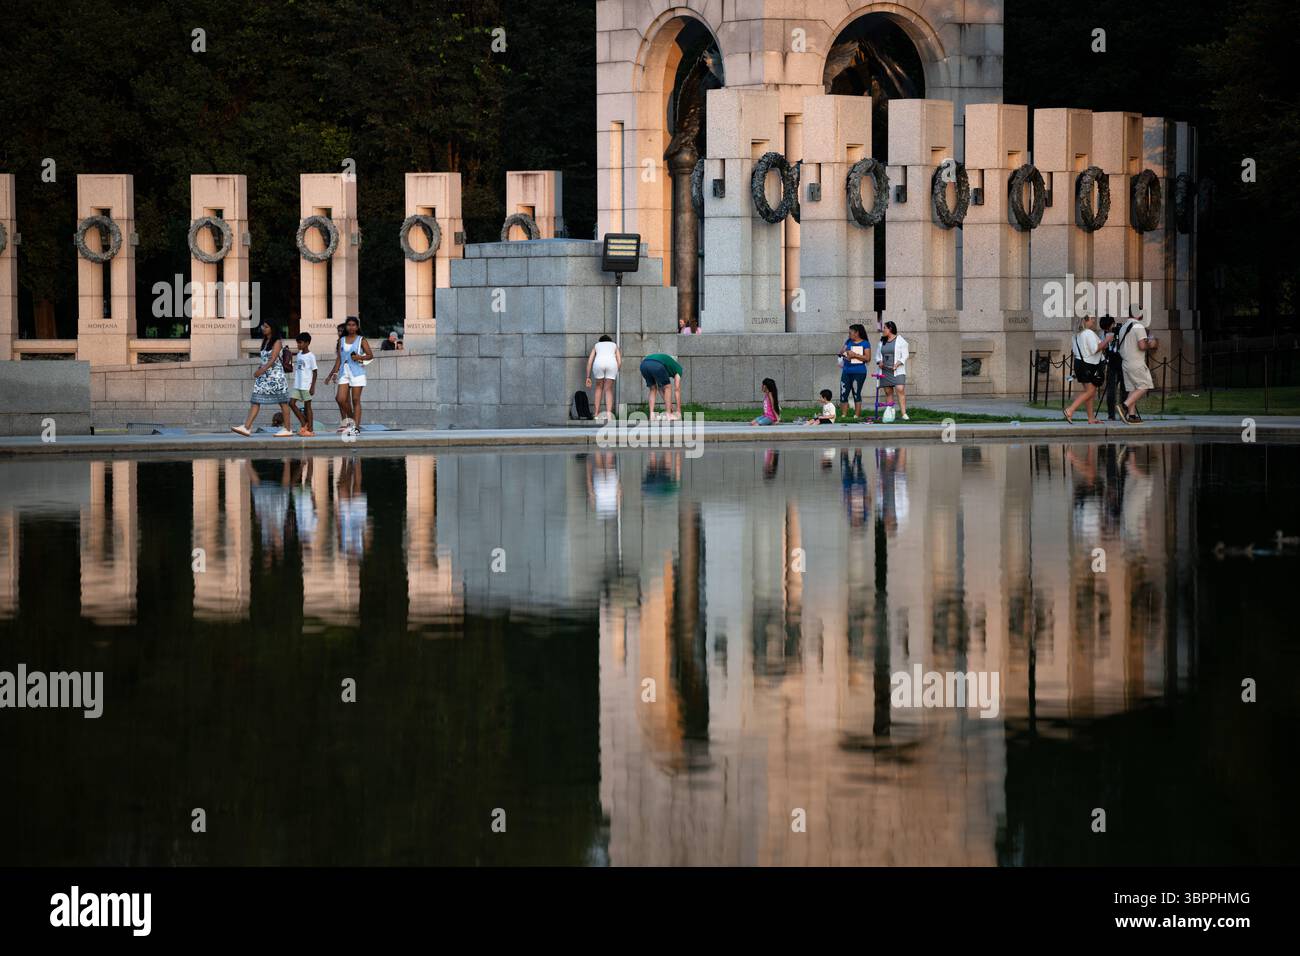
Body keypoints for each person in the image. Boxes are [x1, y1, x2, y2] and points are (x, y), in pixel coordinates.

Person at [231, 321, 293, 437]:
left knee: (283, 402)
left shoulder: (277, 342)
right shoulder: (265, 341)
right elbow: (265, 359)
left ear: (272, 328)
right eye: (263, 326)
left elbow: (273, 359)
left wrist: (261, 370)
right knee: (256, 400)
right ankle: (247, 427)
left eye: (266, 326)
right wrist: (260, 370)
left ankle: (287, 429)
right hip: (264, 377)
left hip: (275, 377)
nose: (263, 328)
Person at [325, 316, 373, 436]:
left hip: (357, 372)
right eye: (349, 325)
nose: (351, 327)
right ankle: (353, 420)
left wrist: (359, 357)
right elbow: (339, 358)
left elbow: (370, 355)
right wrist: (333, 373)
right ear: (346, 326)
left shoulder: (361, 340)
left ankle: (355, 428)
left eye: (353, 325)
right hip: (344, 372)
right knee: (340, 398)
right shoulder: (342, 340)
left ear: (357, 327)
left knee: (355, 400)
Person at [1063, 315, 1109, 424]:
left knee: (1090, 392)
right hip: (1088, 365)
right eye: (1092, 318)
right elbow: (1095, 349)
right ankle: (1070, 410)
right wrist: (1107, 340)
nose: (1094, 320)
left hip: (1079, 364)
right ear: (1085, 320)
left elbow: (1076, 350)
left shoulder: (1076, 334)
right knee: (1090, 391)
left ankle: (1091, 418)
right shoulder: (1088, 333)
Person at [1116, 310, 1157, 424]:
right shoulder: (1138, 326)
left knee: (1132, 389)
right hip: (1136, 362)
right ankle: (1124, 405)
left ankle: (1132, 416)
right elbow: (1142, 345)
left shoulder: (1124, 326)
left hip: (1125, 362)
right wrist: (1151, 343)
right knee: (1145, 385)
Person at [877, 321, 910, 421]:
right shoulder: (882, 341)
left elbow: (905, 355)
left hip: (897, 370)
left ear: (890, 329)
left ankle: (904, 413)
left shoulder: (901, 341)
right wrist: (880, 362)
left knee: (900, 389)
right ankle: (890, 413)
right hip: (885, 370)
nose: (883, 330)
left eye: (885, 328)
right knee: (888, 392)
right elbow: (877, 356)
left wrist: (897, 364)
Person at [838, 323, 872, 418]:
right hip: (846, 371)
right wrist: (845, 354)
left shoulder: (865, 343)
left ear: (856, 333)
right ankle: (844, 415)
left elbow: (868, 358)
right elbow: (841, 352)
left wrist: (855, 355)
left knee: (856, 393)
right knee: (843, 393)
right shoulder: (848, 341)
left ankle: (856, 415)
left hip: (859, 372)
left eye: (850, 333)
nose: (849, 334)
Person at [585, 334, 622, 422]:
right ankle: (609, 414)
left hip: (598, 363)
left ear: (600, 341)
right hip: (612, 364)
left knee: (598, 388)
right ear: (610, 341)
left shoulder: (597, 345)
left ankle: (596, 414)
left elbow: (590, 361)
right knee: (608, 389)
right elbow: (619, 361)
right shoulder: (614, 345)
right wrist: (616, 370)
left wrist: (588, 377)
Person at [288, 332, 318, 437]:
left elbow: (315, 372)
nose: (298, 345)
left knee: (307, 407)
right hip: (297, 385)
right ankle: (304, 422)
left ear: (307, 343)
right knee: (291, 403)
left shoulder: (311, 356)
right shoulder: (299, 354)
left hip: (306, 385)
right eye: (297, 343)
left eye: (300, 343)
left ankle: (310, 429)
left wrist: (312, 386)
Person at [639, 352, 683, 421]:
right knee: (668, 387)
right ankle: (669, 415)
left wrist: (669, 405)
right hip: (656, 364)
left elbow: (660, 389)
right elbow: (677, 389)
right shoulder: (679, 369)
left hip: (643, 365)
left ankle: (651, 415)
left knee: (653, 389)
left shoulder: (667, 366)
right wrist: (678, 410)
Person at [1098, 316, 1127, 420]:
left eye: (1107, 328)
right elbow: (1103, 347)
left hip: (1123, 362)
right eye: (1104, 329)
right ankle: (1111, 415)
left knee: (1125, 389)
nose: (1106, 330)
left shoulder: (1122, 329)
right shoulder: (1104, 333)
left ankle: (1124, 412)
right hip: (1111, 364)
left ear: (1113, 324)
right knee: (1111, 390)